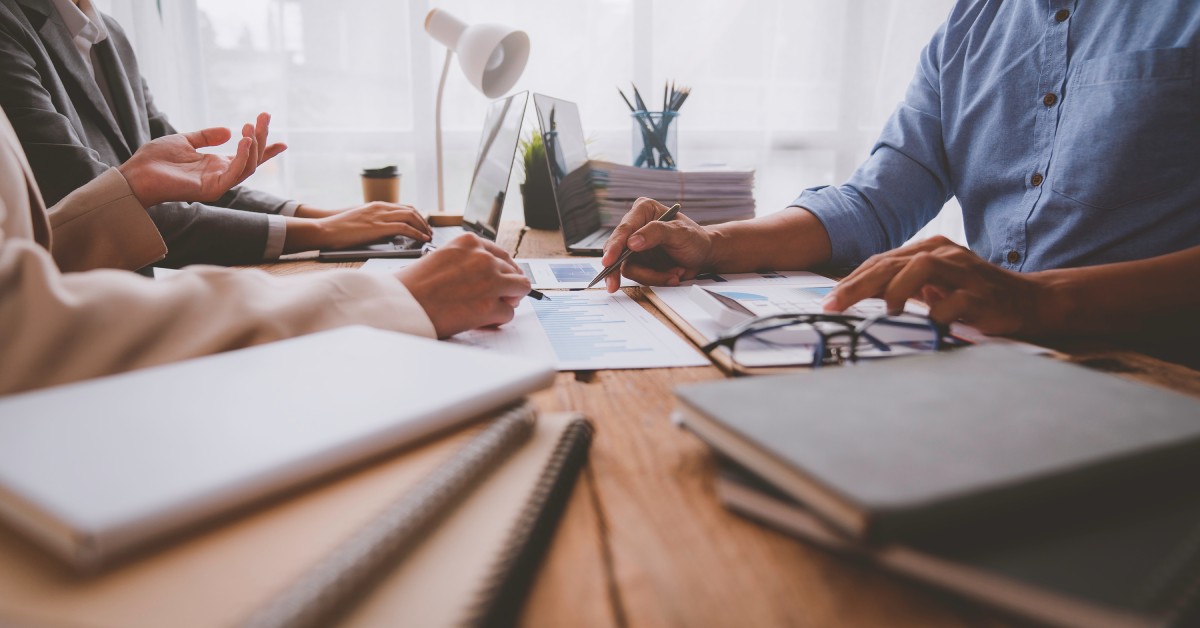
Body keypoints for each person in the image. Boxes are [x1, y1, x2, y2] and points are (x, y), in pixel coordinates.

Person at [602, 0, 1200, 344]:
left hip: (1156, 371)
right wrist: (709, 243)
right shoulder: (972, 25)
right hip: (990, 357)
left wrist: (1041, 302)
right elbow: (874, 201)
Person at [0, 105, 531, 396]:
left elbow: (24, 255)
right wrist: (389, 297)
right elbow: (19, 326)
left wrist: (124, 191)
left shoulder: (108, 35)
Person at [0, 0, 433, 270]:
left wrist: (323, 214)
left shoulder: (110, 33)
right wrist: (320, 232)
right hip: (74, 328)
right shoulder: (8, 26)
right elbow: (104, 207)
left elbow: (184, 181)